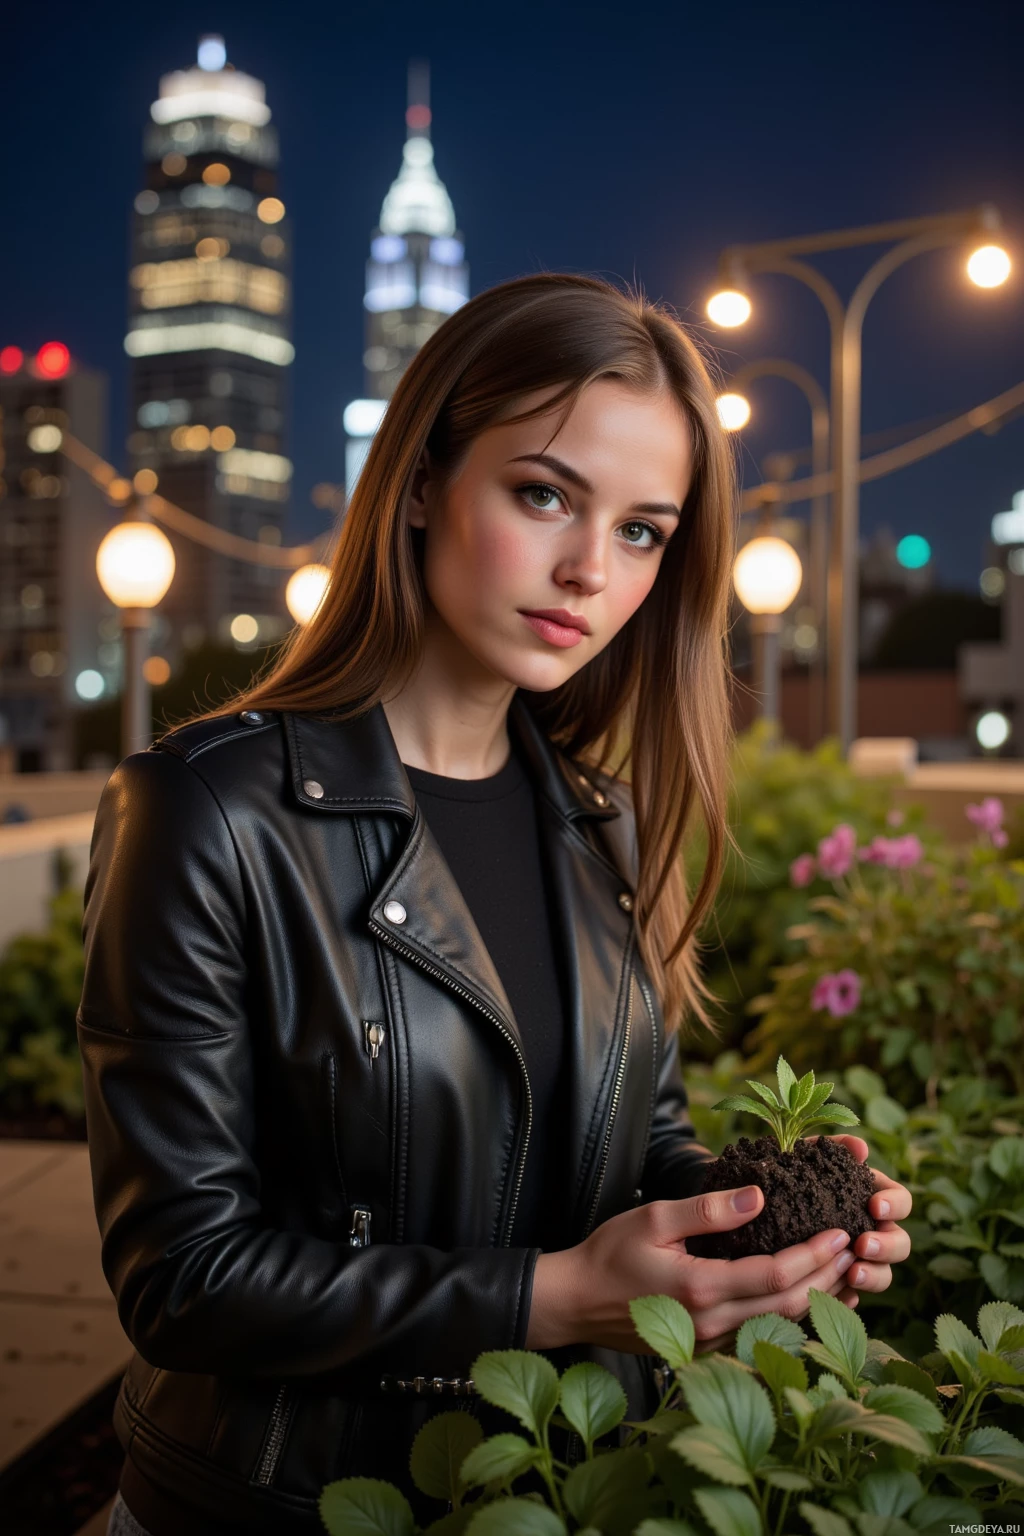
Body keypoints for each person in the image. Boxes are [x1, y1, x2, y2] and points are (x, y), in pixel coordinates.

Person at [79, 275, 912, 1536]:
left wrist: (760, 1225)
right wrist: (550, 1298)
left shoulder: (601, 819)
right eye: (543, 495)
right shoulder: (206, 809)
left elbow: (638, 1146)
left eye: (643, 531)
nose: (589, 569)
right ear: (420, 482)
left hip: (558, 1490)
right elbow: (183, 1280)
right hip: (273, 1504)